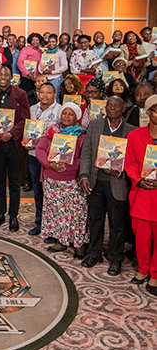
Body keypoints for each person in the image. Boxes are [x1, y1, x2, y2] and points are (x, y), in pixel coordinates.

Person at [79, 96, 135, 274]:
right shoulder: (95, 125)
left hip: (117, 183)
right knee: (95, 220)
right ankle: (94, 253)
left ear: (123, 109)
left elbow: (133, 160)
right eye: (109, 105)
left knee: (117, 224)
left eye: (116, 106)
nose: (112, 108)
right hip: (96, 182)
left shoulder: (131, 131)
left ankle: (115, 257)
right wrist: (84, 175)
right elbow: (86, 152)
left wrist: (121, 172)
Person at [35, 102, 89, 256]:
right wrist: (49, 164)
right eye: (64, 113)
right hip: (52, 180)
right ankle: (61, 241)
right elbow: (40, 149)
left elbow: (85, 158)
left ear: (76, 117)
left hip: (72, 180)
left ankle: (78, 243)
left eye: (71, 114)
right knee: (56, 212)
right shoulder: (52, 132)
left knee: (76, 213)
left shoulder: (81, 136)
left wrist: (67, 166)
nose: (67, 116)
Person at [0, 66, 29, 231]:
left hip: (14, 144)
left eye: (6, 74)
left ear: (11, 77)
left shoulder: (21, 94)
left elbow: (25, 119)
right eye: (0, 74)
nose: (3, 77)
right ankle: (0, 213)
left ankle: (13, 215)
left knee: (15, 182)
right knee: (0, 181)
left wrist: (11, 133)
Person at [124, 94, 157, 296]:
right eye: (155, 110)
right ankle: (143, 269)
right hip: (141, 194)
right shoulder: (134, 136)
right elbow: (129, 163)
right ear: (148, 112)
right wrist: (138, 180)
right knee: (142, 238)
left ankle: (155, 273)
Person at [26, 82, 62, 236]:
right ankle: (39, 222)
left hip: (52, 159)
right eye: (42, 92)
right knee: (38, 191)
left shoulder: (61, 111)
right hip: (34, 156)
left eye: (49, 92)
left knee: (52, 194)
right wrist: (27, 142)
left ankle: (53, 227)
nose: (45, 95)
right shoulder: (32, 109)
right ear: (38, 93)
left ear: (54, 95)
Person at [39, 33, 68, 101]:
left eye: (53, 42)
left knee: (54, 97)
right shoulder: (45, 53)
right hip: (46, 78)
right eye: (49, 42)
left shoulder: (61, 53)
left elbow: (64, 67)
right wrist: (42, 71)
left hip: (56, 78)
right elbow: (40, 64)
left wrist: (52, 72)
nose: (51, 43)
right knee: (45, 98)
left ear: (57, 42)